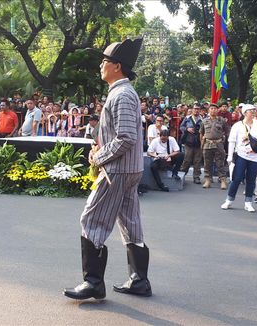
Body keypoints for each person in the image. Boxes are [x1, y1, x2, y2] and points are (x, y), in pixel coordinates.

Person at [63, 37, 152, 300]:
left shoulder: (122, 94)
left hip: (117, 170)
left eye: (105, 60)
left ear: (117, 66)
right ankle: (139, 281)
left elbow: (125, 137)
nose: (101, 64)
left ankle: (93, 283)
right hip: (128, 168)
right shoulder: (122, 92)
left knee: (91, 220)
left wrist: (98, 157)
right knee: (130, 223)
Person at [200, 103, 229, 189]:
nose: (213, 110)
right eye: (211, 108)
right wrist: (201, 144)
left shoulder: (222, 120)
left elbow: (227, 131)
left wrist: (224, 141)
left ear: (217, 110)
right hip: (207, 144)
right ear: (209, 110)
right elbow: (201, 133)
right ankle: (208, 180)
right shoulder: (204, 121)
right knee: (207, 163)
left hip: (218, 144)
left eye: (215, 109)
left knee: (220, 163)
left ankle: (223, 180)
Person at [179, 103, 203, 184]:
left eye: (198, 109)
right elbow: (181, 127)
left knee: (197, 161)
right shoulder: (187, 118)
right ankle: (182, 175)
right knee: (187, 160)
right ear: (192, 109)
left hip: (199, 143)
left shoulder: (203, 119)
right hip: (188, 142)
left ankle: (196, 177)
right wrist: (187, 129)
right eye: (195, 108)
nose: (196, 110)